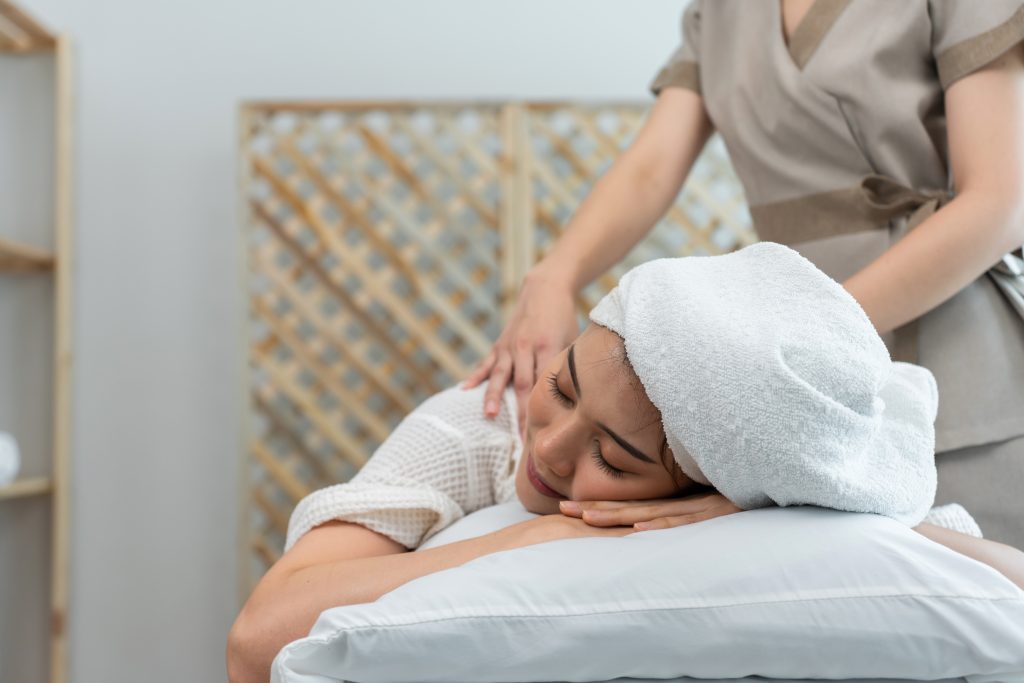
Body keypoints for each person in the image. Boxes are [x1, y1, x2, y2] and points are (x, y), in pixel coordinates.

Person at [227, 245, 1024, 683]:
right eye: (564, 384)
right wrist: (528, 542)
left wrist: (761, 517)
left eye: (615, 453)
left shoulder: (754, 487)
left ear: (704, 486)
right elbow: (257, 643)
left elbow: (993, 577)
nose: (551, 447)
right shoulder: (479, 422)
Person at [463, 0, 1024, 549]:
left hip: (954, 355)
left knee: (980, 610)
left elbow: (999, 203)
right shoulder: (721, 11)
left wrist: (800, 350)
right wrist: (554, 275)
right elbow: (651, 169)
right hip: (773, 379)